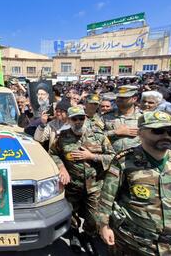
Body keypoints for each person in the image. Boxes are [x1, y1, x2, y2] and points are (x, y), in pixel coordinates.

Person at [97, 111, 171, 255]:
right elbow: (107, 197)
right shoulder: (124, 161)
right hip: (134, 242)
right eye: (158, 131)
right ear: (141, 133)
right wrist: (104, 225)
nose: (166, 136)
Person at [49, 106, 115, 255]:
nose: (78, 121)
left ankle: (88, 236)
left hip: (95, 185)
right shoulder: (62, 137)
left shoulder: (99, 136)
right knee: (71, 213)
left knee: (93, 218)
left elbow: (113, 157)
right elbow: (53, 153)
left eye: (81, 118)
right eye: (75, 119)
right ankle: (74, 236)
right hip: (73, 185)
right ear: (69, 120)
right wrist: (62, 168)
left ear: (85, 118)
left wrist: (92, 157)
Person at [103, 85, 142, 153]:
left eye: (124, 97)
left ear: (134, 99)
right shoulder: (106, 116)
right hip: (112, 158)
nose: (119, 99)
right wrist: (115, 132)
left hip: (137, 159)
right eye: (118, 97)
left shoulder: (143, 117)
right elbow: (93, 136)